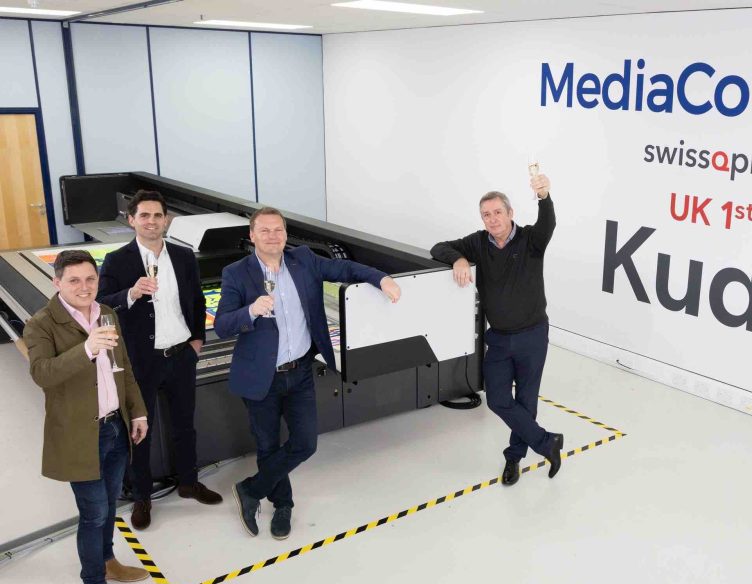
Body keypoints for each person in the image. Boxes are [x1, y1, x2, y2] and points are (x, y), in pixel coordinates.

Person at [215, 207, 402, 540]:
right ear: (252, 235)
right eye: (264, 230)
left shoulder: (303, 259)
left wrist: (381, 278)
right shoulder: (236, 273)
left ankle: (250, 489)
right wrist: (251, 310)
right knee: (268, 445)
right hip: (261, 377)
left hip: (300, 371)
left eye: (278, 230)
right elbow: (222, 325)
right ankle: (283, 505)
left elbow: (345, 268)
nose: (272, 236)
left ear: (286, 234)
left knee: (305, 443)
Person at [24, 250, 150, 584]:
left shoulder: (106, 313)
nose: (84, 287)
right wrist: (86, 349)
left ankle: (107, 560)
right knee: (94, 513)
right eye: (74, 280)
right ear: (57, 282)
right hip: (81, 435)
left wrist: (137, 411)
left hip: (114, 426)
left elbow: (123, 367)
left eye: (90, 279)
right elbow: (42, 374)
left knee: (109, 505)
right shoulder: (41, 324)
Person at [98, 190, 222, 530]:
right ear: (131, 220)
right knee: (141, 430)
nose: (151, 221)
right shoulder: (117, 261)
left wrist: (197, 340)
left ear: (166, 220)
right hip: (142, 362)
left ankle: (188, 482)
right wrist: (131, 293)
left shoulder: (183, 256)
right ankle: (142, 496)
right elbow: (102, 305)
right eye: (144, 215)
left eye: (157, 215)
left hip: (181, 355)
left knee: (185, 424)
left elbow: (197, 300)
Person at [430, 171, 563, 486]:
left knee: (526, 401)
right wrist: (459, 259)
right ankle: (547, 443)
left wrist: (544, 197)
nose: (492, 219)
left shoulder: (531, 239)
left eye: (497, 212)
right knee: (497, 399)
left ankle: (514, 457)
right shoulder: (478, 243)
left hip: (532, 336)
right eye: (486, 214)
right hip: (500, 340)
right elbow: (438, 247)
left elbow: (549, 223)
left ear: (510, 213)